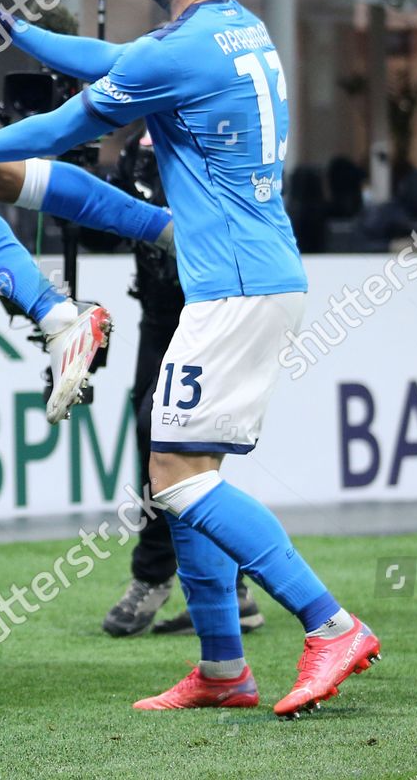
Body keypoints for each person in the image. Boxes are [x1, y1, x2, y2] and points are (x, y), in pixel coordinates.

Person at [0, 0, 381, 718]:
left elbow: (61, 122)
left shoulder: (181, 53)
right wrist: (12, 28)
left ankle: (330, 624)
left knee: (176, 477)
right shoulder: (230, 29)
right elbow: (100, 58)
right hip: (245, 278)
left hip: (235, 288)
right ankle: (224, 668)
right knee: (185, 470)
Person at [98, 132, 264, 638]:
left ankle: (167, 576)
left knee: (179, 438)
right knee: (156, 437)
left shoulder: (217, 135)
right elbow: (103, 233)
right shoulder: (136, 149)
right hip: (158, 312)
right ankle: (229, 586)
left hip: (214, 308)